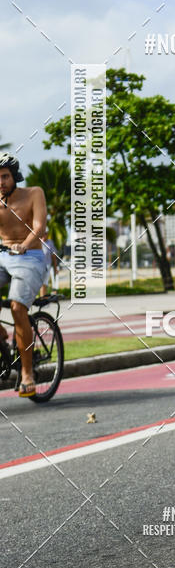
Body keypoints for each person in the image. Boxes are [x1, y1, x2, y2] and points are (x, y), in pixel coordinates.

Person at [0, 154, 48, 396]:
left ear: (14, 176)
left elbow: (39, 227)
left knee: (18, 308)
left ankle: (27, 373)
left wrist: (24, 245)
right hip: (3, 256)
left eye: (5, 176)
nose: (1, 182)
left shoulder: (33, 193)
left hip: (31, 256)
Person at [40, 233, 59, 297]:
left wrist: (55, 268)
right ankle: (42, 298)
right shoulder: (38, 242)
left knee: (44, 283)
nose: (45, 235)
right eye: (43, 233)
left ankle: (43, 298)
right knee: (41, 283)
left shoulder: (50, 242)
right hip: (38, 265)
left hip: (47, 266)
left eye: (46, 234)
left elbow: (53, 256)